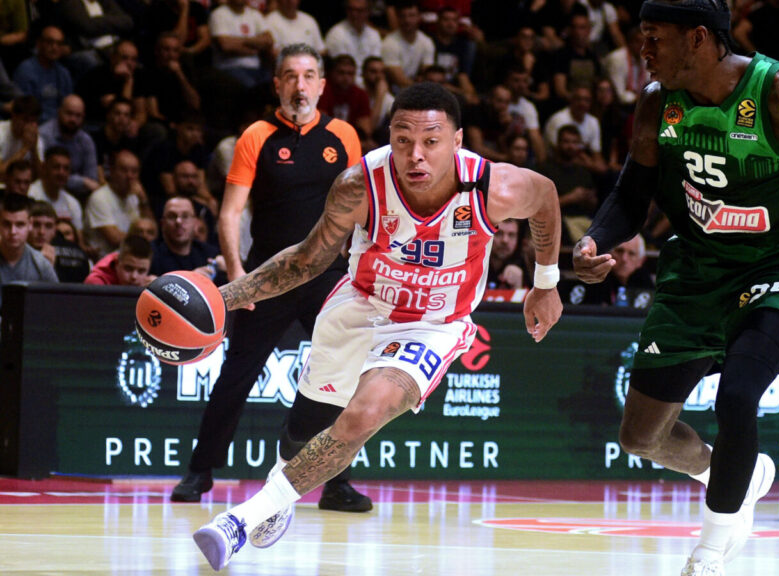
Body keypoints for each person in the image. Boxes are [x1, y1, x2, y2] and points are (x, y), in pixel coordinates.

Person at [571, 2, 779, 574]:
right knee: (641, 437)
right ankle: (732, 471)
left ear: (698, 38)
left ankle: (711, 548)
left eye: (654, 38)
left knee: (738, 395)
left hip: (777, 266)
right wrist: (596, 239)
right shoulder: (657, 102)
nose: (643, 51)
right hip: (695, 273)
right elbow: (632, 193)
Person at [192, 81, 563, 571]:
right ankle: (282, 478)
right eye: (403, 139)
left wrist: (546, 283)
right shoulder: (359, 184)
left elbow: (546, 197)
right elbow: (305, 260)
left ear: (456, 141)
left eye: (431, 141)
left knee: (363, 414)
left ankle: (241, 520)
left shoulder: (494, 187)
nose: (415, 155)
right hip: (362, 306)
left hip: (433, 324)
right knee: (304, 427)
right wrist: (220, 301)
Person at [169, 44, 370, 512]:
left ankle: (336, 483)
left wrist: (358, 267)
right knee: (236, 375)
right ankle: (200, 471)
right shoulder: (256, 136)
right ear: (277, 84)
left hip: (328, 276)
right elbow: (230, 213)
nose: (300, 85)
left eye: (309, 76)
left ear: (322, 85)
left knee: (342, 378)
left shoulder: (343, 135)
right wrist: (239, 276)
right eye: (291, 76)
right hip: (269, 276)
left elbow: (363, 206)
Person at [84, 150, 152, 257]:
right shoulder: (100, 197)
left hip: (131, 257)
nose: (129, 176)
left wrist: (143, 200)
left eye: (134, 171)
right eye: (124, 170)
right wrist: (144, 239)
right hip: (105, 259)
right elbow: (115, 239)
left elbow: (152, 230)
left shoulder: (135, 197)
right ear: (112, 171)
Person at [0, 193, 58, 309]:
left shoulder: (41, 265)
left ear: (30, 225)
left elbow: (56, 306)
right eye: (7, 224)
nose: (13, 232)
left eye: (20, 225)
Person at [564, 233, 655, 306]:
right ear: (608, 253)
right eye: (619, 251)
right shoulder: (592, 280)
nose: (624, 259)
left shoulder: (647, 286)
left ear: (641, 261)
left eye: (631, 254)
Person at [39, 95, 100, 198]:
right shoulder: (44, 135)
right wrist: (82, 182)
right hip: (45, 191)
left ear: (83, 117)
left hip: (77, 197)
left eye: (78, 116)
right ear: (59, 112)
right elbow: (44, 174)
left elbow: (92, 181)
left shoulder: (86, 141)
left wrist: (80, 182)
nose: (73, 119)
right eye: (69, 113)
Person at [150, 197, 222, 279]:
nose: (178, 221)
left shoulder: (209, 253)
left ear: (194, 222)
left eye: (185, 216)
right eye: (172, 216)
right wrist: (191, 277)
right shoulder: (151, 254)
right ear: (162, 223)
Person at [28, 200, 90, 283]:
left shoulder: (76, 253)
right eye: (36, 225)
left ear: (55, 230)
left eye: (48, 226)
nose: (41, 232)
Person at [28, 146, 84, 233]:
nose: (61, 173)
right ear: (44, 168)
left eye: (66, 168)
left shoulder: (72, 203)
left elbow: (79, 238)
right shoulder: (30, 194)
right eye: (56, 167)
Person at [83, 234, 154, 286]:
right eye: (128, 268)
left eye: (141, 271)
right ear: (116, 263)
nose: (134, 277)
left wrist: (156, 290)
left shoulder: (152, 284)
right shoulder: (96, 282)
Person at [487, 219, 530, 290]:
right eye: (499, 233)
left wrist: (517, 288)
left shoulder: (527, 265)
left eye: (511, 235)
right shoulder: (475, 263)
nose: (505, 240)